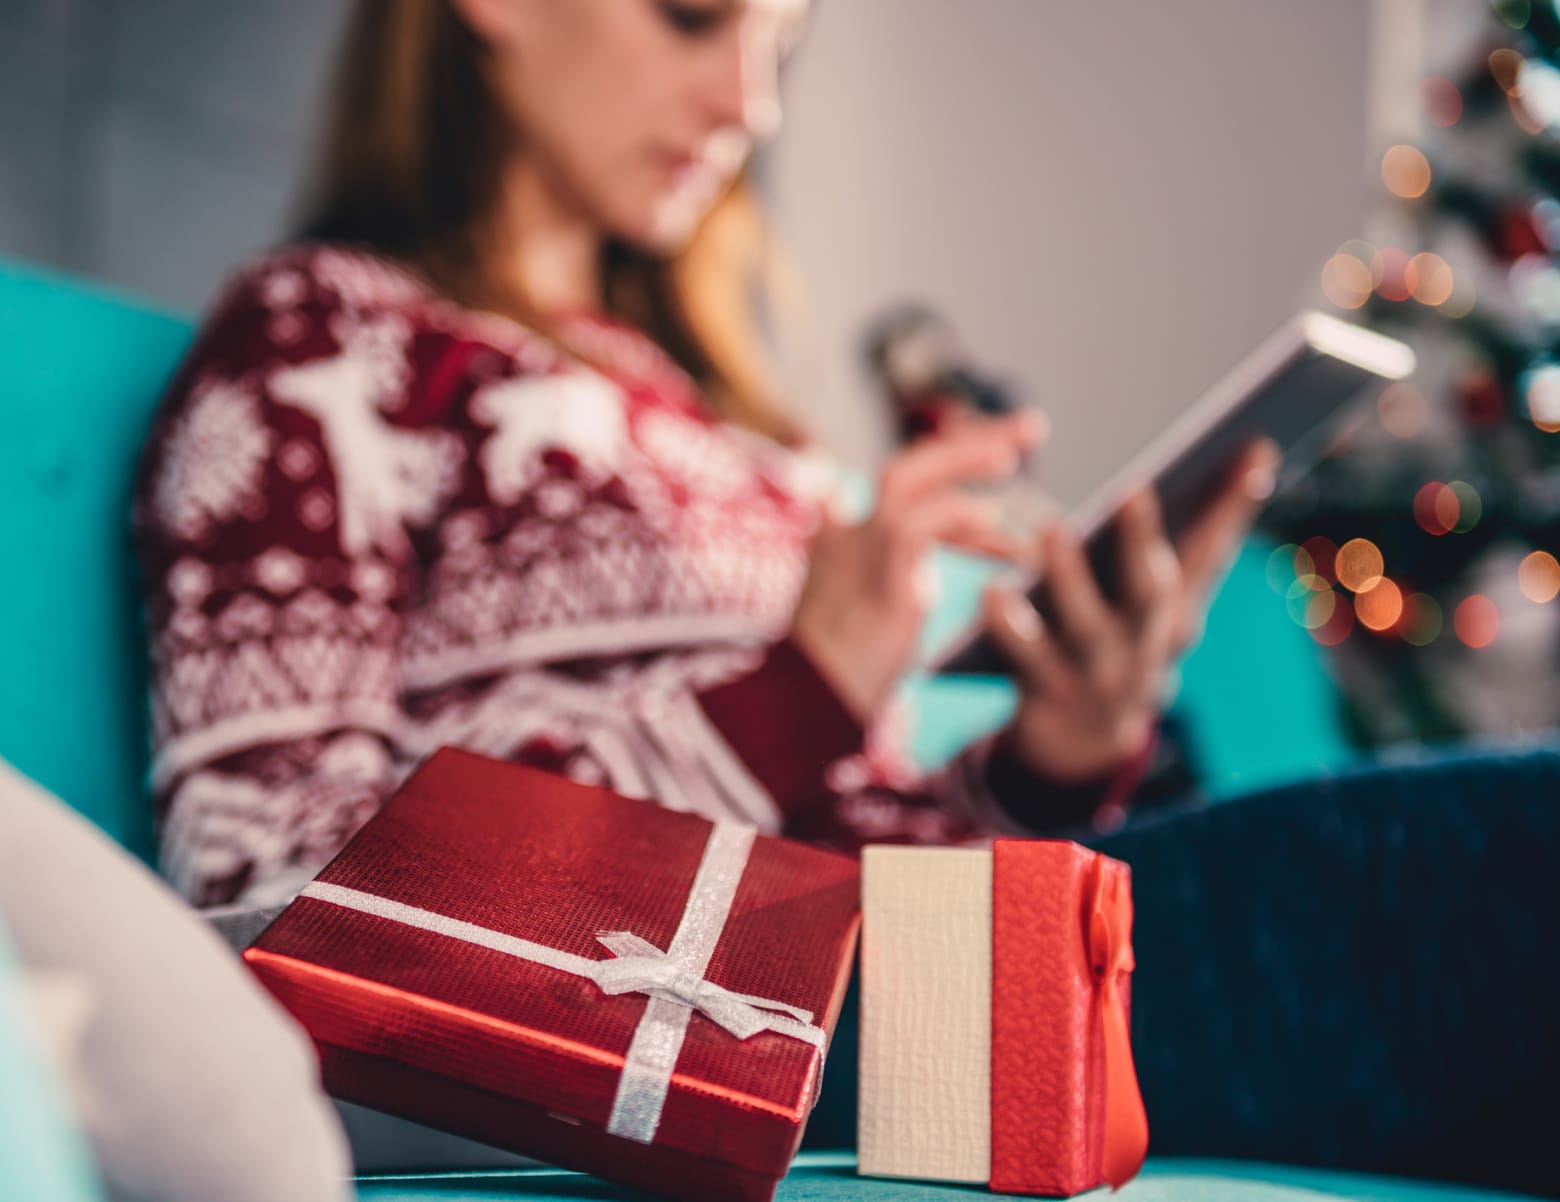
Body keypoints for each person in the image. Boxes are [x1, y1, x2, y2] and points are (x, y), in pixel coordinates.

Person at [131, 2, 1559, 1192]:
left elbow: (859, 846)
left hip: (871, 970)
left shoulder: (748, 441)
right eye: (697, 16)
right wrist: (795, 687)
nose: (748, 102)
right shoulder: (326, 348)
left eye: (780, 48)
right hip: (732, 1014)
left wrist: (1046, 760)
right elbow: (263, 895)